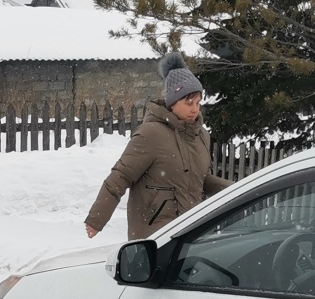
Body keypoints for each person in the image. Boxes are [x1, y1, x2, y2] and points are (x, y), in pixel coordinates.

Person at [85, 52, 229, 240]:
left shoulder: (200, 135)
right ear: (172, 103)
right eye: (188, 102)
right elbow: (121, 176)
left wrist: (239, 189)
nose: (195, 109)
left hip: (190, 234)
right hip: (154, 238)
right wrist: (97, 219)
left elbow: (202, 179)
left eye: (198, 102)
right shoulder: (151, 134)